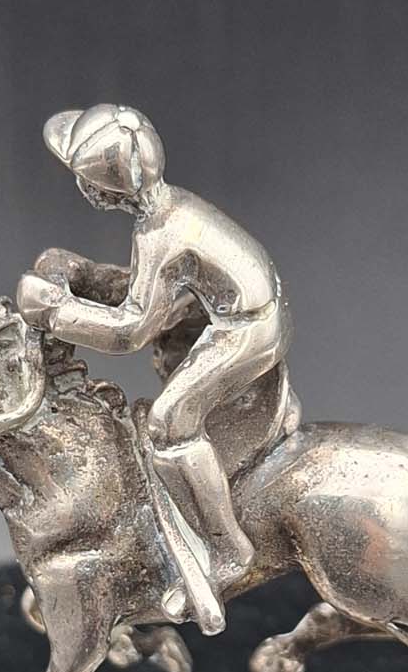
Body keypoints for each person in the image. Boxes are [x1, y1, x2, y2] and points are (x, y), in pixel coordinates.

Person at [17, 103, 292, 634]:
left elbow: (131, 330)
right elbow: (149, 291)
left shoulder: (160, 232)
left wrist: (55, 312)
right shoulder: (167, 210)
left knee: (169, 425)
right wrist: (84, 277)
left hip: (246, 329)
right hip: (233, 310)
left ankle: (227, 550)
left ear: (99, 191)